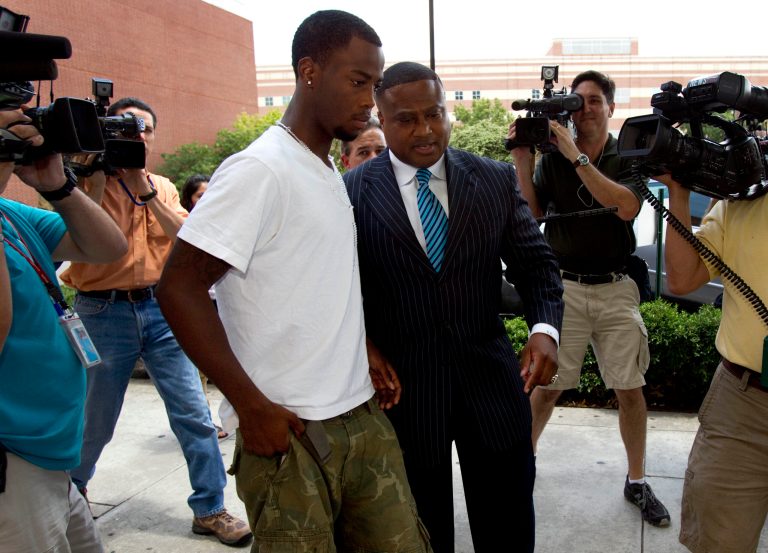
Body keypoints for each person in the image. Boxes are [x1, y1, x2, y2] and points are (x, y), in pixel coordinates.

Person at [156, 10, 431, 552]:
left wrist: (363, 346)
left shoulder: (325, 167)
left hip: (361, 417)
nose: (369, 100)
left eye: (374, 85)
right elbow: (179, 289)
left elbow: (310, 281)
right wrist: (250, 407)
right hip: (291, 434)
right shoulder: (260, 169)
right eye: (357, 81)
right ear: (309, 71)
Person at [344, 61, 564, 553]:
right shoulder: (350, 194)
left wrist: (545, 328)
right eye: (405, 119)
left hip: (490, 384)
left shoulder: (493, 179)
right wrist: (364, 342)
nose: (425, 130)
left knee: (507, 522)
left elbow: (536, 267)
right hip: (402, 392)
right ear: (379, 117)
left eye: (435, 113)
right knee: (419, 527)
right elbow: (336, 290)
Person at [60, 98, 251, 546]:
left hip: (160, 311)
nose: (134, 136)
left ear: (151, 136)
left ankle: (210, 508)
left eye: (141, 128)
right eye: (123, 128)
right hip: (101, 310)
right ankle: (72, 497)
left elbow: (189, 236)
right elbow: (72, 242)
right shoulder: (80, 185)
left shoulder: (162, 186)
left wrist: (141, 188)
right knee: (95, 421)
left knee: (193, 414)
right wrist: (92, 178)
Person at [508, 69, 671, 527]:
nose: (585, 108)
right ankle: (521, 467)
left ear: (611, 107)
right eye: (578, 101)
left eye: (595, 100)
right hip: (567, 287)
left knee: (630, 389)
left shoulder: (627, 155)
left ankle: (637, 480)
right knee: (546, 388)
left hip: (616, 286)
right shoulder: (552, 157)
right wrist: (523, 159)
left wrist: (576, 156)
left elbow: (626, 206)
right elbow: (534, 211)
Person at [0, 105, 128, 552]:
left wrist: (57, 185)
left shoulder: (12, 216)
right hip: (13, 466)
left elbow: (107, 246)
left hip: (52, 458)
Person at [662, 174, 768, 552]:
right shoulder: (741, 200)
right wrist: (679, 190)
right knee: (719, 542)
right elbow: (683, 277)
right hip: (744, 403)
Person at [179, 173, 227, 439]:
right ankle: (204, 421)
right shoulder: (184, 225)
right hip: (198, 307)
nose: (206, 200)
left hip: (219, 305)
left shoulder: (223, 224)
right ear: (189, 199)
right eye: (200, 195)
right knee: (196, 371)